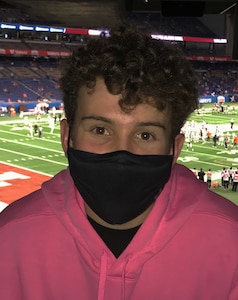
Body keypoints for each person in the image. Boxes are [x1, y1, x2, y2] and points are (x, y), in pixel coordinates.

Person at [0, 24, 238, 300]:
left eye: (145, 134)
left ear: (175, 149)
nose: (122, 151)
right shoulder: (11, 239)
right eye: (100, 130)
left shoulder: (230, 243)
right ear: (67, 138)